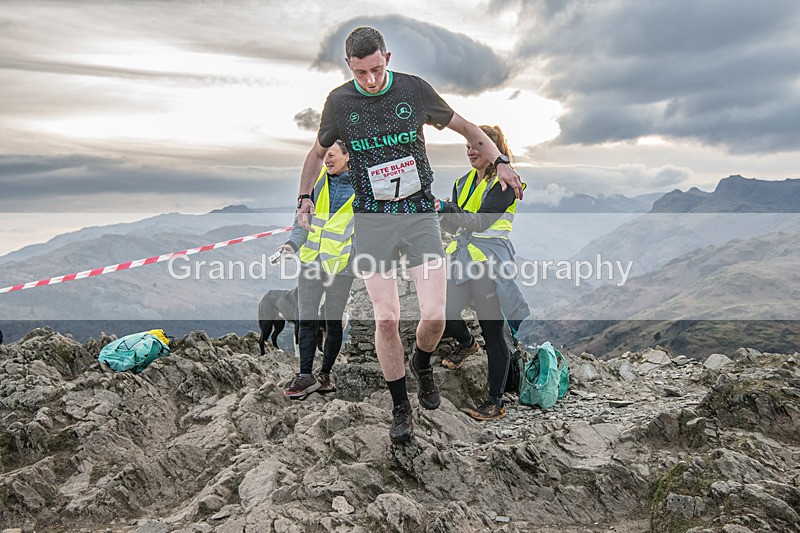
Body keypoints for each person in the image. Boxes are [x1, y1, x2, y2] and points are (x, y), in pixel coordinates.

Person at [296, 27, 523, 444]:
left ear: (388, 56)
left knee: (434, 316)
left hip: (418, 215)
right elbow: (315, 154)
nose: (370, 79)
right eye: (361, 72)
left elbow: (467, 128)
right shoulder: (339, 103)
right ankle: (401, 407)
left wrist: (502, 161)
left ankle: (422, 362)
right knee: (387, 318)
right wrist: (304, 198)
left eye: (377, 69)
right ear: (349, 65)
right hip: (373, 220)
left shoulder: (414, 91)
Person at [437, 124, 530, 421]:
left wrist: (444, 207)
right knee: (443, 311)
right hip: (464, 258)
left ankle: (495, 402)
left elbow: (478, 223)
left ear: (493, 148)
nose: (471, 151)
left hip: (489, 263)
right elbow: (454, 225)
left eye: (476, 145)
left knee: (493, 331)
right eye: (467, 146)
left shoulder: (506, 184)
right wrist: (443, 213)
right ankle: (466, 343)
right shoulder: (461, 182)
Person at [281, 140, 356, 399]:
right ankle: (304, 376)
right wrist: (292, 244)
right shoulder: (316, 183)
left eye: (332, 155)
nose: (326, 159)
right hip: (312, 261)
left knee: (332, 321)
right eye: (324, 155)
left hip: (342, 266)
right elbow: (302, 220)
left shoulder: (362, 188)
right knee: (306, 318)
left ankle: (325, 374)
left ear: (347, 156)